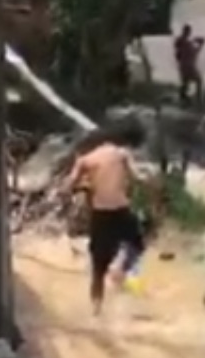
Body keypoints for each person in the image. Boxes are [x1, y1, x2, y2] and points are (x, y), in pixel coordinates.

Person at [61, 123, 147, 316]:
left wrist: (81, 186)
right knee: (138, 245)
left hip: (100, 215)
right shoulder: (121, 154)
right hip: (121, 210)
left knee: (98, 266)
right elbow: (138, 177)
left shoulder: (85, 160)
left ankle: (96, 309)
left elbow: (67, 186)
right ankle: (122, 271)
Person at [174, 24, 205, 105]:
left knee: (185, 83)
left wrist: (197, 43)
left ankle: (183, 99)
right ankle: (198, 100)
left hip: (184, 66)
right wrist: (200, 44)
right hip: (188, 66)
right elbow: (193, 53)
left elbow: (191, 53)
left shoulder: (182, 42)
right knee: (198, 80)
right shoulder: (185, 43)